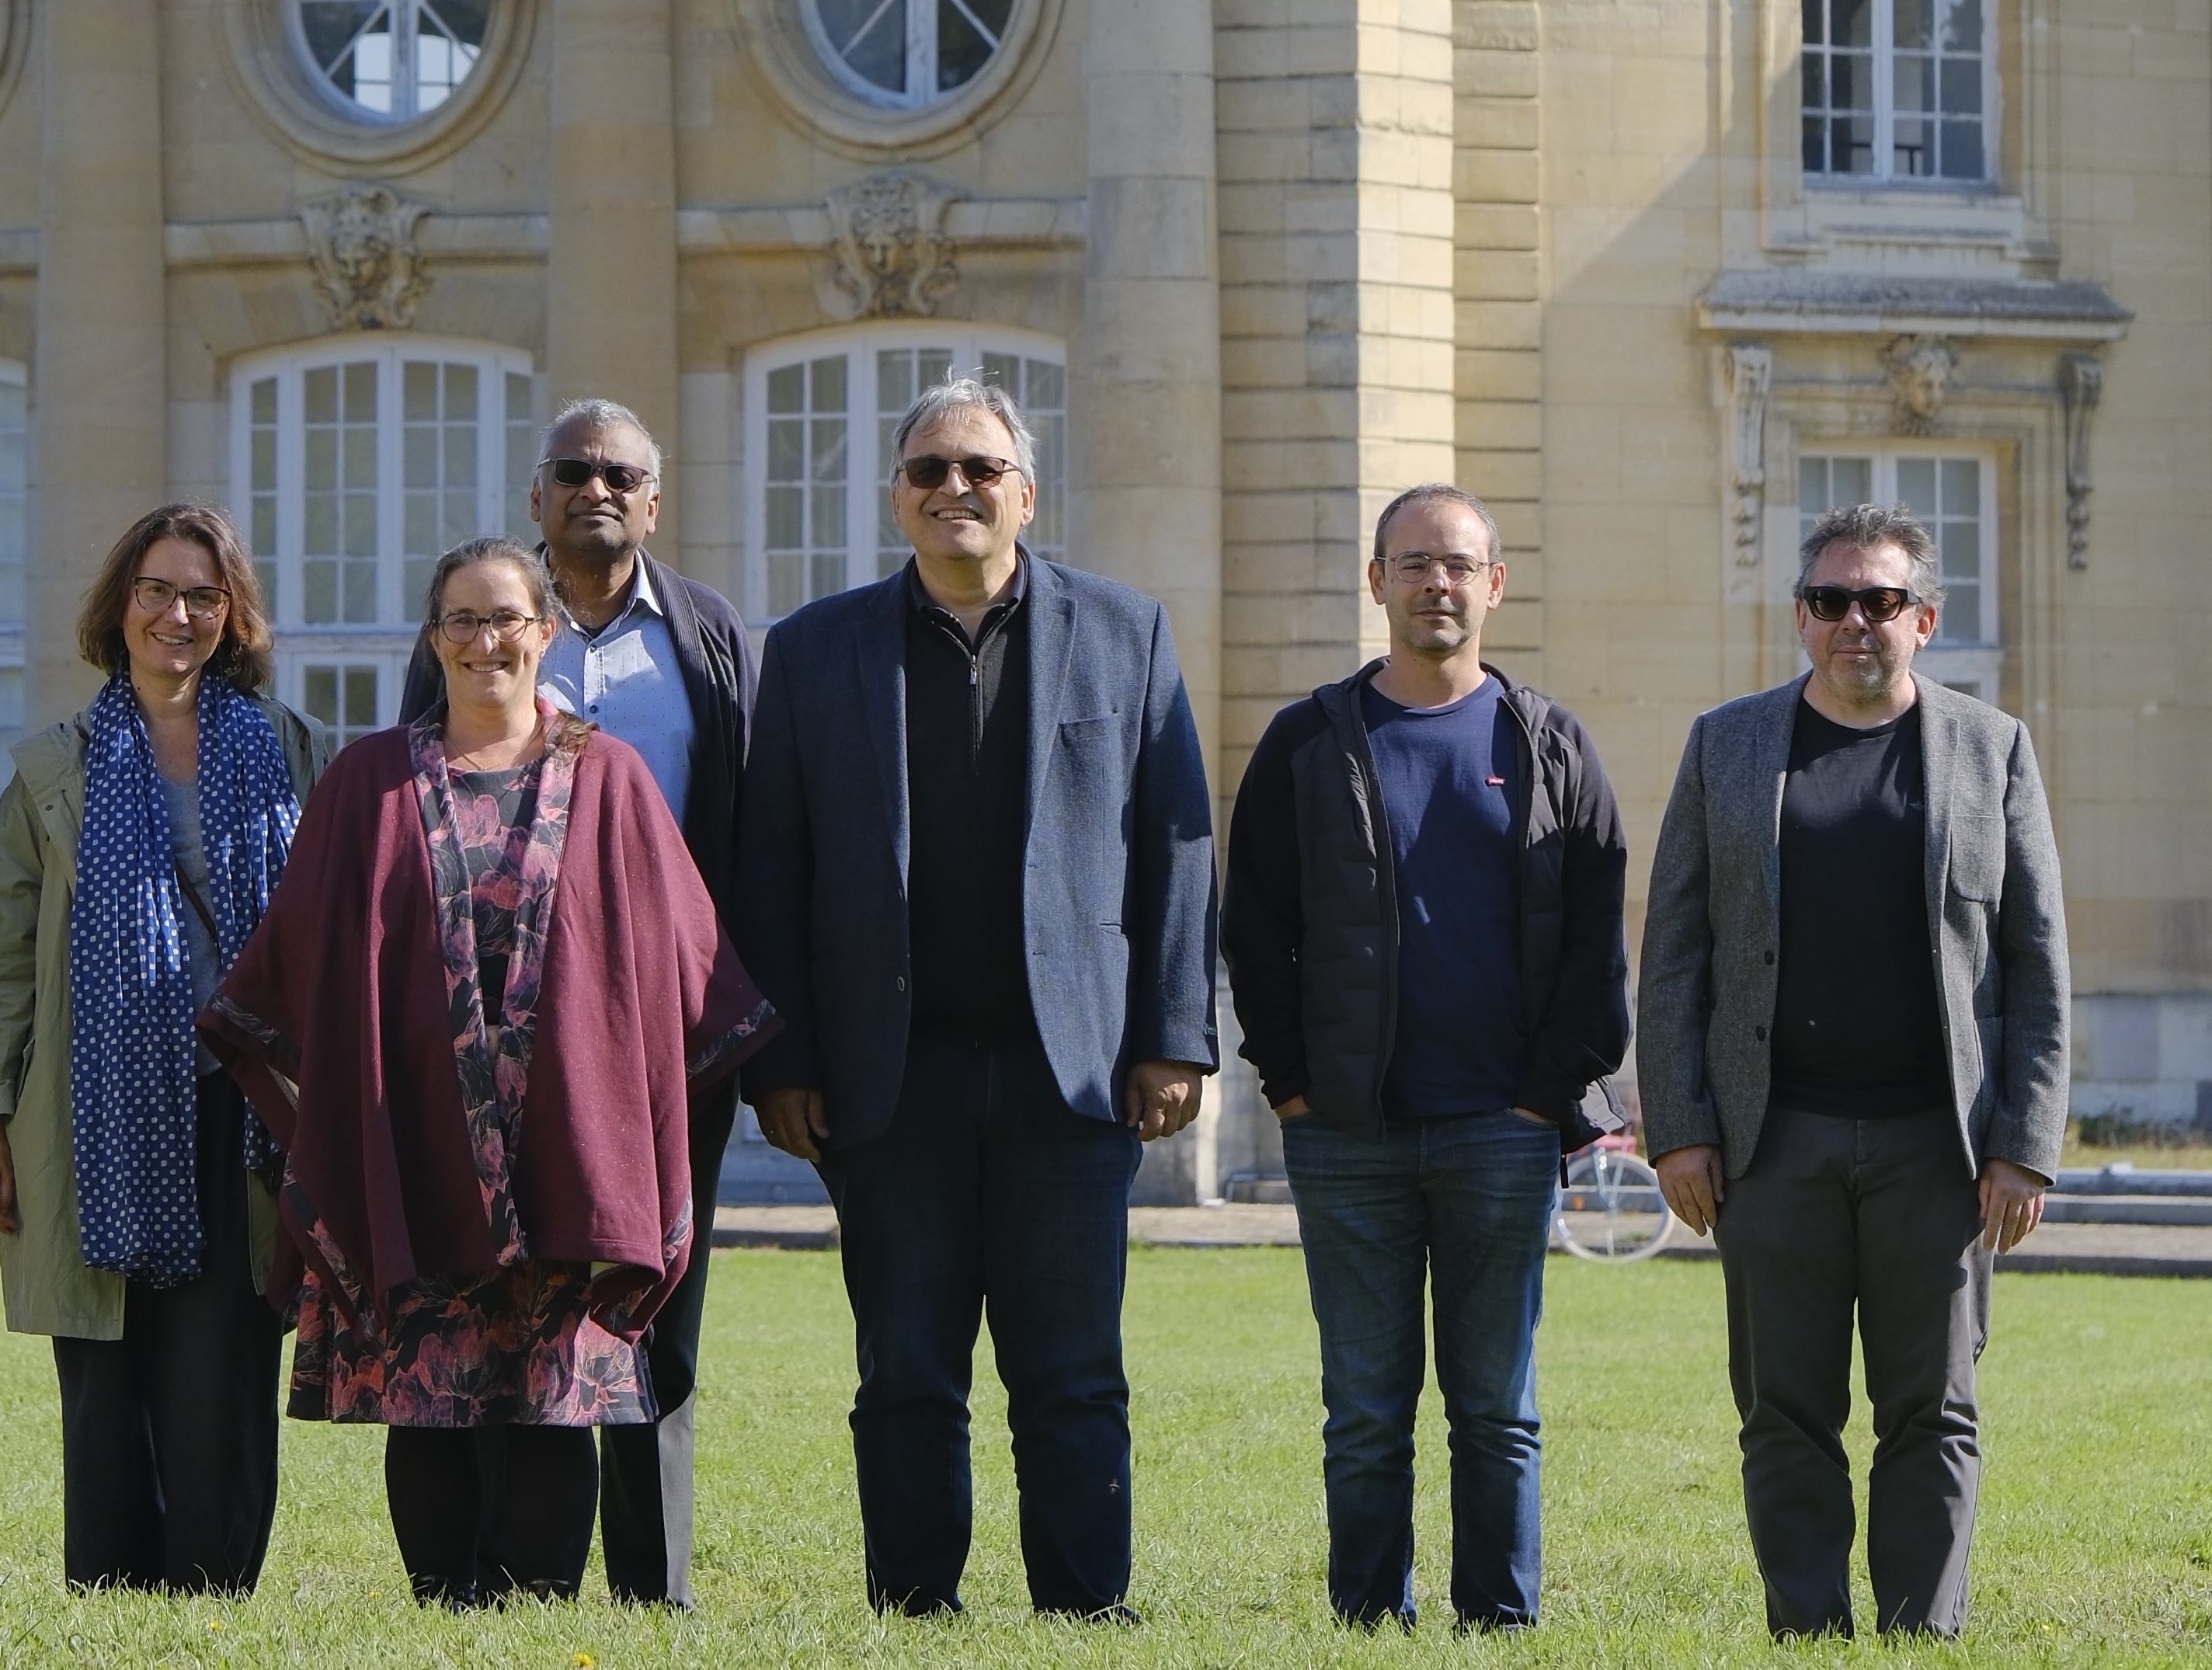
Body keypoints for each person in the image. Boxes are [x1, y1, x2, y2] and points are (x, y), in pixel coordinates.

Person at [201, 536, 775, 1607]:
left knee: (553, 1388)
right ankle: (444, 1601)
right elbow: (308, 955)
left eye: (506, 617)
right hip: (413, 1137)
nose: (484, 640)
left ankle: (540, 1604)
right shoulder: (368, 781)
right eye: (461, 619)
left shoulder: (612, 778)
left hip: (568, 1145)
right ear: (434, 638)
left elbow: (677, 962)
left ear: (544, 632)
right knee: (431, 1386)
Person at [732, 374, 1217, 1619]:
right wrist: (780, 1059)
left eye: (980, 468)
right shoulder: (813, 649)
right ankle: (913, 1605)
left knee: (1072, 1370)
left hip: (1072, 1073)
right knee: (904, 1368)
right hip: (888, 1074)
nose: (955, 487)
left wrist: (1171, 1035)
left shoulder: (1124, 632)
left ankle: (1084, 1607)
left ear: (1025, 494)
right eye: (928, 469)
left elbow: (1175, 842)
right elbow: (770, 866)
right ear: (895, 497)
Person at [1640, 500, 2071, 1640]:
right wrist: (1679, 1126)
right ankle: (1809, 1630)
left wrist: (2024, 1145)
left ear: (1923, 618)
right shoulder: (1726, 744)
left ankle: (1921, 1632)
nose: (1853, 621)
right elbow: (1674, 950)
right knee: (1782, 1409)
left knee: (1934, 1407)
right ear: (1800, 616)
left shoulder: (1992, 748)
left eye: (1880, 600)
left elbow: (2036, 961)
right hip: (1772, 1140)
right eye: (1830, 600)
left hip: (1939, 1146)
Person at [1222, 483, 1629, 1631]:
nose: (1435, 584)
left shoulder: (1549, 743)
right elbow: (1255, 927)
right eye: (1412, 563)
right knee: (1363, 1408)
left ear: (1494, 584)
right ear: (1377, 582)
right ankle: (1368, 1620)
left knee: (1497, 1410)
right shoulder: (1308, 740)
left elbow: (1596, 938)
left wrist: (1544, 1099)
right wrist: (1292, 1089)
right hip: (1344, 1133)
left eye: (1456, 565)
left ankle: (1497, 1622)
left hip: (1501, 1131)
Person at [394, 396, 755, 1607]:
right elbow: (417, 800)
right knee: (499, 1296)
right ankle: (505, 1568)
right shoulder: (484, 621)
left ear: (653, 500)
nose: (594, 488)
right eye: (571, 470)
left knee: (652, 1298)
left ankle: (653, 1585)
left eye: (617, 473)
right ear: (536, 498)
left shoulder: (707, 635)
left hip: (656, 1037)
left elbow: (757, 829)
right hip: (487, 1033)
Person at [0, 504, 324, 1592]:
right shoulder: (54, 768)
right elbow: (1, 963)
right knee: (106, 1366)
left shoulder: (292, 750)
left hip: (244, 1109)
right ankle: (111, 1592)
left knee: (225, 1368)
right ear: (118, 607)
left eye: (204, 595)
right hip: (95, 1104)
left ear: (233, 614)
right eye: (156, 590)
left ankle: (210, 1592)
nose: (178, 614)